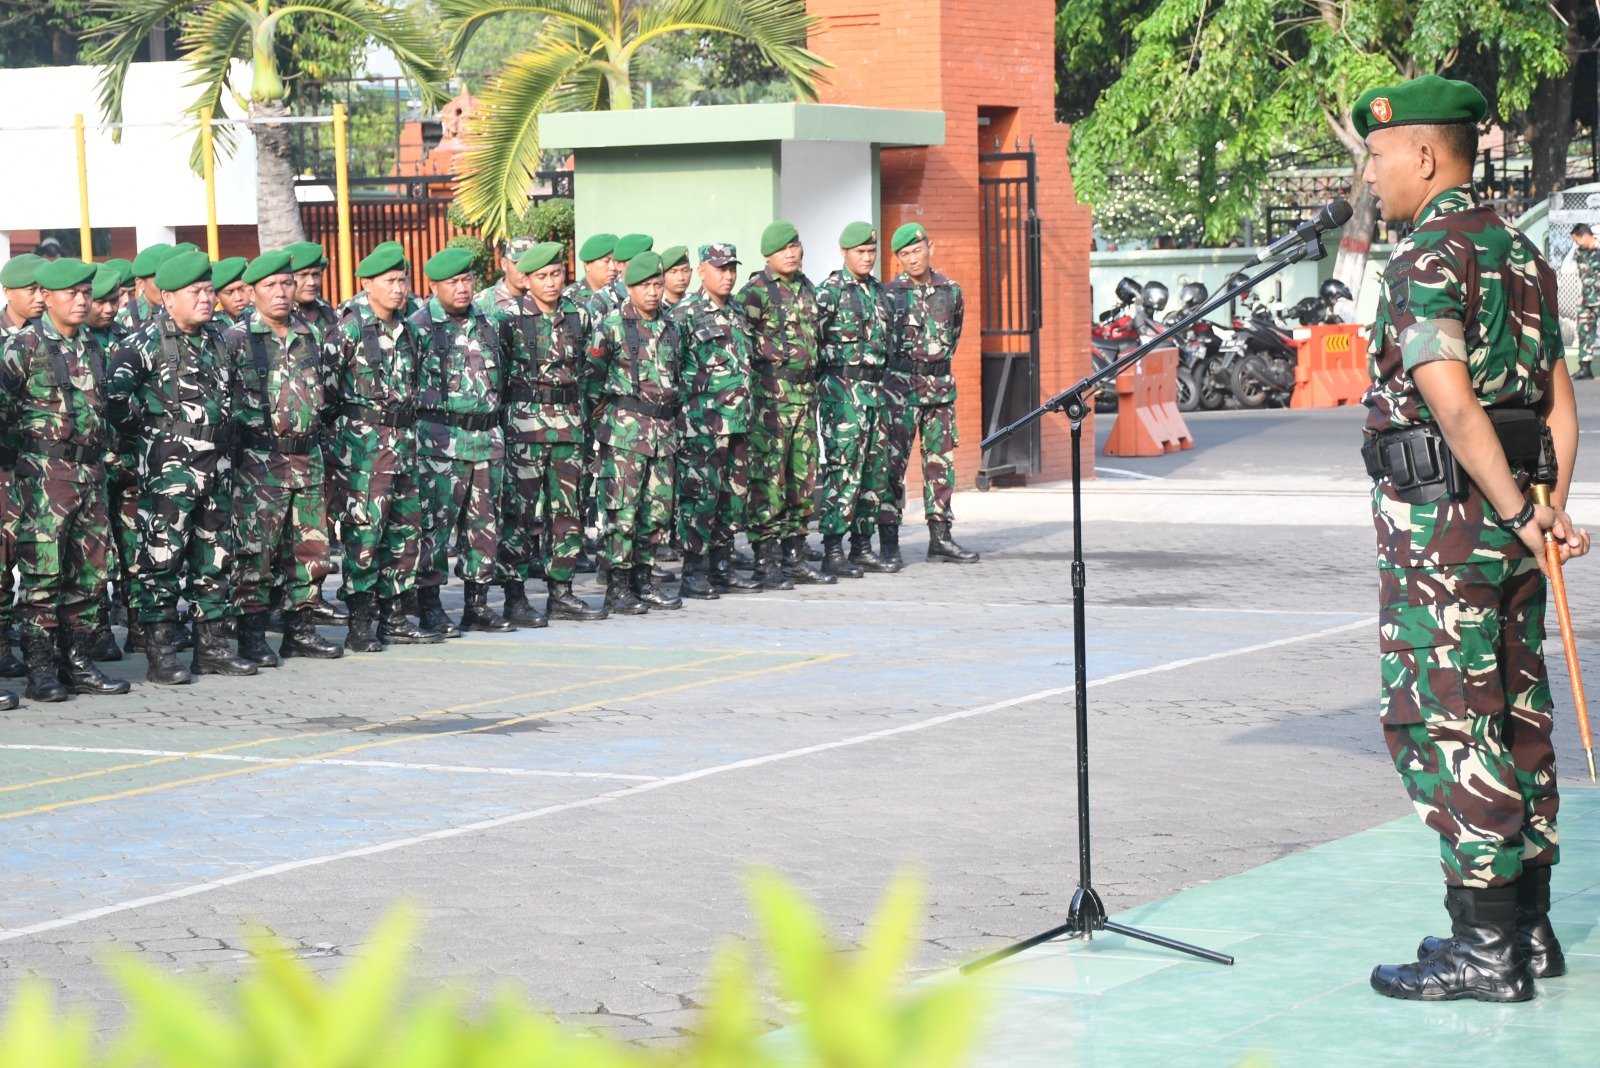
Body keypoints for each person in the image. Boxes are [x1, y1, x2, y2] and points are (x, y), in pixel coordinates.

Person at [1355, 74, 1590, 1003]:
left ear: (1423, 155)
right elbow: (1561, 405)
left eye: (1377, 155)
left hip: (1447, 533)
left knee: (1450, 723)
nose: (1369, 173)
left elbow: (1449, 400)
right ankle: (1528, 930)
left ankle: (1483, 950)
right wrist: (1543, 510)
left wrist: (1518, 509)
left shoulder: (1425, 257)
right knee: (1519, 715)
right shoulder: (1519, 250)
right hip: (1512, 526)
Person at [107, 249, 258, 684]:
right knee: (163, 557)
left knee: (216, 556)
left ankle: (211, 649)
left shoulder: (220, 338)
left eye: (209, 290)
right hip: (169, 472)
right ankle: (162, 653)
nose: (206, 299)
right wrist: (146, 436)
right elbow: (114, 398)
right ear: (169, 298)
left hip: (218, 465)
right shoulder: (143, 342)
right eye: (196, 292)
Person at [0, 257, 132, 704]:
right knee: (44, 574)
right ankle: (40, 671)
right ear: (47, 297)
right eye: (71, 294)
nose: (81, 301)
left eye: (86, 293)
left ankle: (77, 663)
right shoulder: (23, 345)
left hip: (90, 475)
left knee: (90, 575)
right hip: (44, 477)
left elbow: (101, 412)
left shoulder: (92, 345)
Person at [224, 249, 343, 664]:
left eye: (287, 283)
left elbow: (330, 395)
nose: (281, 292)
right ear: (253, 291)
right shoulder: (236, 340)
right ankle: (252, 635)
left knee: (311, 553)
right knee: (256, 554)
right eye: (271, 285)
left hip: (308, 460)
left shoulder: (310, 335)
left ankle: (301, 631)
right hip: (260, 464)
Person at [324, 243, 440, 651]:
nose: (398, 288)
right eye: (389, 281)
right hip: (364, 451)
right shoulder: (350, 328)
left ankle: (395, 617)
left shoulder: (410, 328)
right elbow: (327, 391)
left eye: (402, 280)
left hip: (405, 446)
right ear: (367, 284)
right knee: (364, 535)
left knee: (405, 533)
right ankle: (360, 622)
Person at [498, 241, 607, 623]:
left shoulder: (579, 316)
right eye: (542, 276)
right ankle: (514, 596)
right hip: (525, 430)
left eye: (556, 274)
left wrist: (586, 419)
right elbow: (497, 378)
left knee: (568, 513)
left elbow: (592, 374)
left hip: (569, 429)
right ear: (526, 279)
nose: (550, 282)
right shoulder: (508, 319)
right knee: (519, 514)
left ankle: (561, 592)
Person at [411, 246, 515, 636]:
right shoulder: (419, 327)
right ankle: (430, 606)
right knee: (435, 529)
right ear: (433, 286)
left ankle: (477, 605)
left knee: (484, 527)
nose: (462, 288)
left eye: (467, 279)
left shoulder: (490, 323)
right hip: (441, 443)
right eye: (453, 282)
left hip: (487, 440)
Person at [584, 251, 683, 614]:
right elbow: (591, 380)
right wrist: (603, 422)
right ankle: (618, 586)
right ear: (629, 286)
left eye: (657, 284)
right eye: (645, 286)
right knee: (621, 512)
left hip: (663, 433)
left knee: (656, 511)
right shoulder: (611, 325)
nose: (653, 292)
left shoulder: (671, 325)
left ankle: (644, 580)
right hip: (626, 433)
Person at [737, 221, 832, 588]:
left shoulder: (807, 288)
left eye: (795, 246)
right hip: (771, 402)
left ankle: (795, 557)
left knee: (802, 478)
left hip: (805, 398)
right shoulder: (755, 293)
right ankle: (765, 561)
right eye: (784, 249)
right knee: (768, 479)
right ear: (768, 255)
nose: (792, 254)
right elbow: (742, 347)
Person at [882, 223, 979, 565]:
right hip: (900, 392)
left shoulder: (951, 291)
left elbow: (954, 335)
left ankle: (940, 539)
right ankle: (889, 541)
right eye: (904, 254)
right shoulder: (889, 295)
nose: (912, 258)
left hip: (939, 392)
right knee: (891, 467)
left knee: (940, 467)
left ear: (930, 248)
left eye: (916, 250)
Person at [672, 243, 762, 599]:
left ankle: (721, 567)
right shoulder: (686, 313)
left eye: (732, 268)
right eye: (720, 268)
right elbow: (671, 367)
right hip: (703, 426)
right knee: (700, 499)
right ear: (701, 271)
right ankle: (693, 571)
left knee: (733, 498)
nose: (728, 275)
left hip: (738, 423)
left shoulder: (737, 310)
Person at [816, 221, 896, 577]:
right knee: (843, 470)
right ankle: (833, 548)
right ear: (844, 252)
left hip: (876, 393)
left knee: (874, 472)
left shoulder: (878, 292)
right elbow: (813, 344)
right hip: (843, 396)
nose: (867, 258)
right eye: (860, 252)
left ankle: (862, 546)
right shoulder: (830, 292)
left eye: (871, 251)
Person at [83, 264, 134, 663]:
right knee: (95, 551)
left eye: (114, 300)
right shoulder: (73, 343)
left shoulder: (127, 339)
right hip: (90, 463)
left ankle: (140, 625)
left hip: (128, 458)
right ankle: (98, 630)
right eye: (101, 301)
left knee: (135, 544)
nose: (109, 309)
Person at [0, 252, 46, 682]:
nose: (39, 297)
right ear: (7, 292)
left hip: (40, 467)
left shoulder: (50, 337)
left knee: (36, 554)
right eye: (30, 289)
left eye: (42, 289)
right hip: (4, 464)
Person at [116, 243, 174, 331]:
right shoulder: (123, 319)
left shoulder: (183, 313)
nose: (167, 287)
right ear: (140, 283)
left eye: (171, 281)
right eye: (159, 282)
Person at [1570, 224, 1598, 381]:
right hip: (1586, 300)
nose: (1576, 244)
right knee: (1584, 331)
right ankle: (1585, 368)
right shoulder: (1579, 252)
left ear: (1585, 235)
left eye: (1577, 240)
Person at [211, 257, 253, 328]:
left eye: (242, 289)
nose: (238, 298)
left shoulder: (265, 319)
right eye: (229, 292)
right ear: (217, 297)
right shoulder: (211, 328)